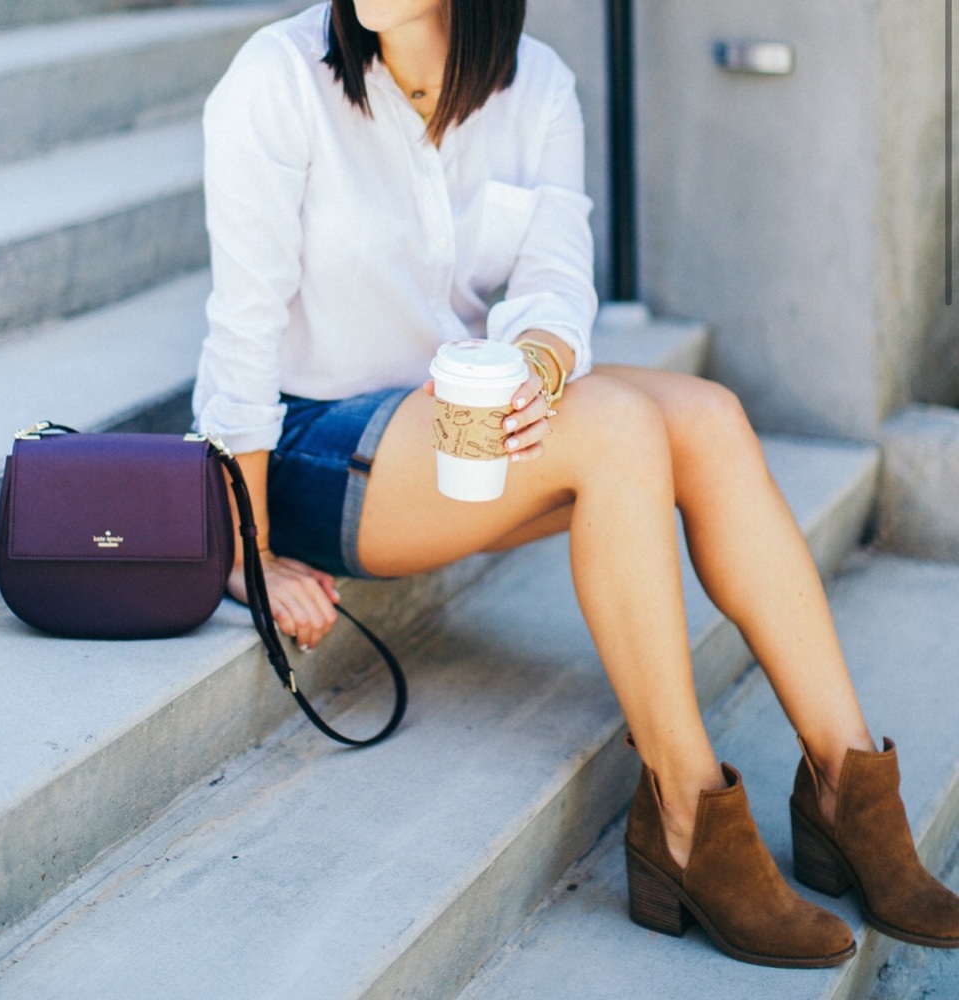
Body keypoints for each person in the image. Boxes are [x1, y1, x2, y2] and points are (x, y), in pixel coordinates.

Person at [193, 0, 959, 969]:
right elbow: (242, 330)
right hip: (318, 447)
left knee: (711, 421)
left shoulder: (537, 86)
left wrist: (544, 365)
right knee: (619, 429)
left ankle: (849, 794)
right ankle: (685, 813)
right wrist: (249, 549)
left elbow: (554, 280)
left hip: (457, 424)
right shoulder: (278, 76)